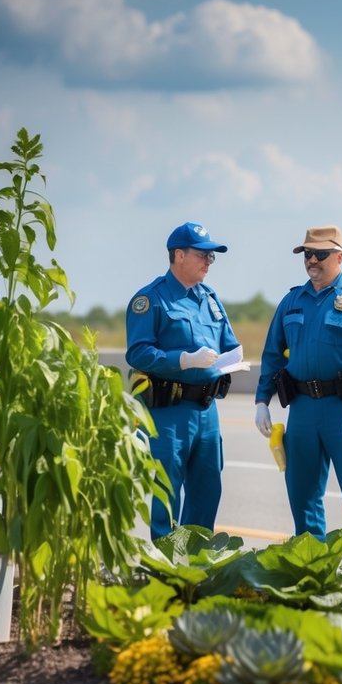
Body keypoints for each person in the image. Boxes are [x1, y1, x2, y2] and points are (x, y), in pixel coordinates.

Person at [253, 225, 342, 539]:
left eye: (320, 254)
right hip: (303, 409)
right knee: (302, 495)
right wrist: (261, 400)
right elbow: (272, 354)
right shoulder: (292, 301)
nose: (312, 260)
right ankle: (313, 572)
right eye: (307, 253)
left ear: (339, 256)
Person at [126, 222, 240, 540]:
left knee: (207, 491)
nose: (208, 262)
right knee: (167, 494)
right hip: (169, 413)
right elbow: (138, 353)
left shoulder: (210, 298)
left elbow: (228, 343)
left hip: (207, 411)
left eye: (212, 257)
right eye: (202, 255)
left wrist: (234, 358)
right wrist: (183, 360)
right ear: (178, 255)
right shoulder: (151, 299)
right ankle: (165, 571)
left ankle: (197, 568)